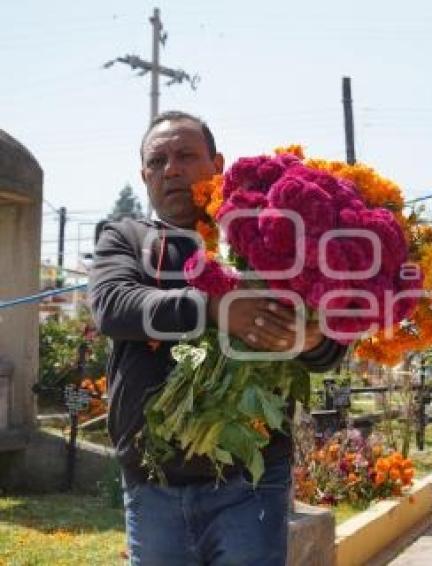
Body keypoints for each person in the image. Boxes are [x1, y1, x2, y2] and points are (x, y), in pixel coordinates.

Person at [89, 111, 347, 565]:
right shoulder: (126, 236)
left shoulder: (264, 234)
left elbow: (330, 347)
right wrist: (213, 307)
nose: (171, 169)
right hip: (154, 480)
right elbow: (112, 305)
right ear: (144, 176)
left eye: (186, 155)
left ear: (218, 164)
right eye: (157, 161)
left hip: (250, 482)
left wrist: (309, 338)